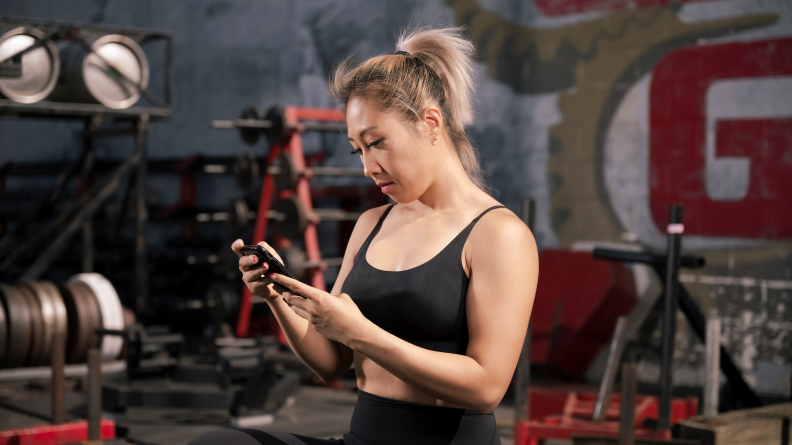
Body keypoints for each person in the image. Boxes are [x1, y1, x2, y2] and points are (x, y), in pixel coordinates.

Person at [189, 26, 538, 445]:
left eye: (376, 143)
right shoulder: (371, 224)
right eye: (358, 150)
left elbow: (486, 389)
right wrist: (275, 296)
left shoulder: (499, 234)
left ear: (430, 122)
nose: (367, 167)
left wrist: (361, 333)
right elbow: (329, 362)